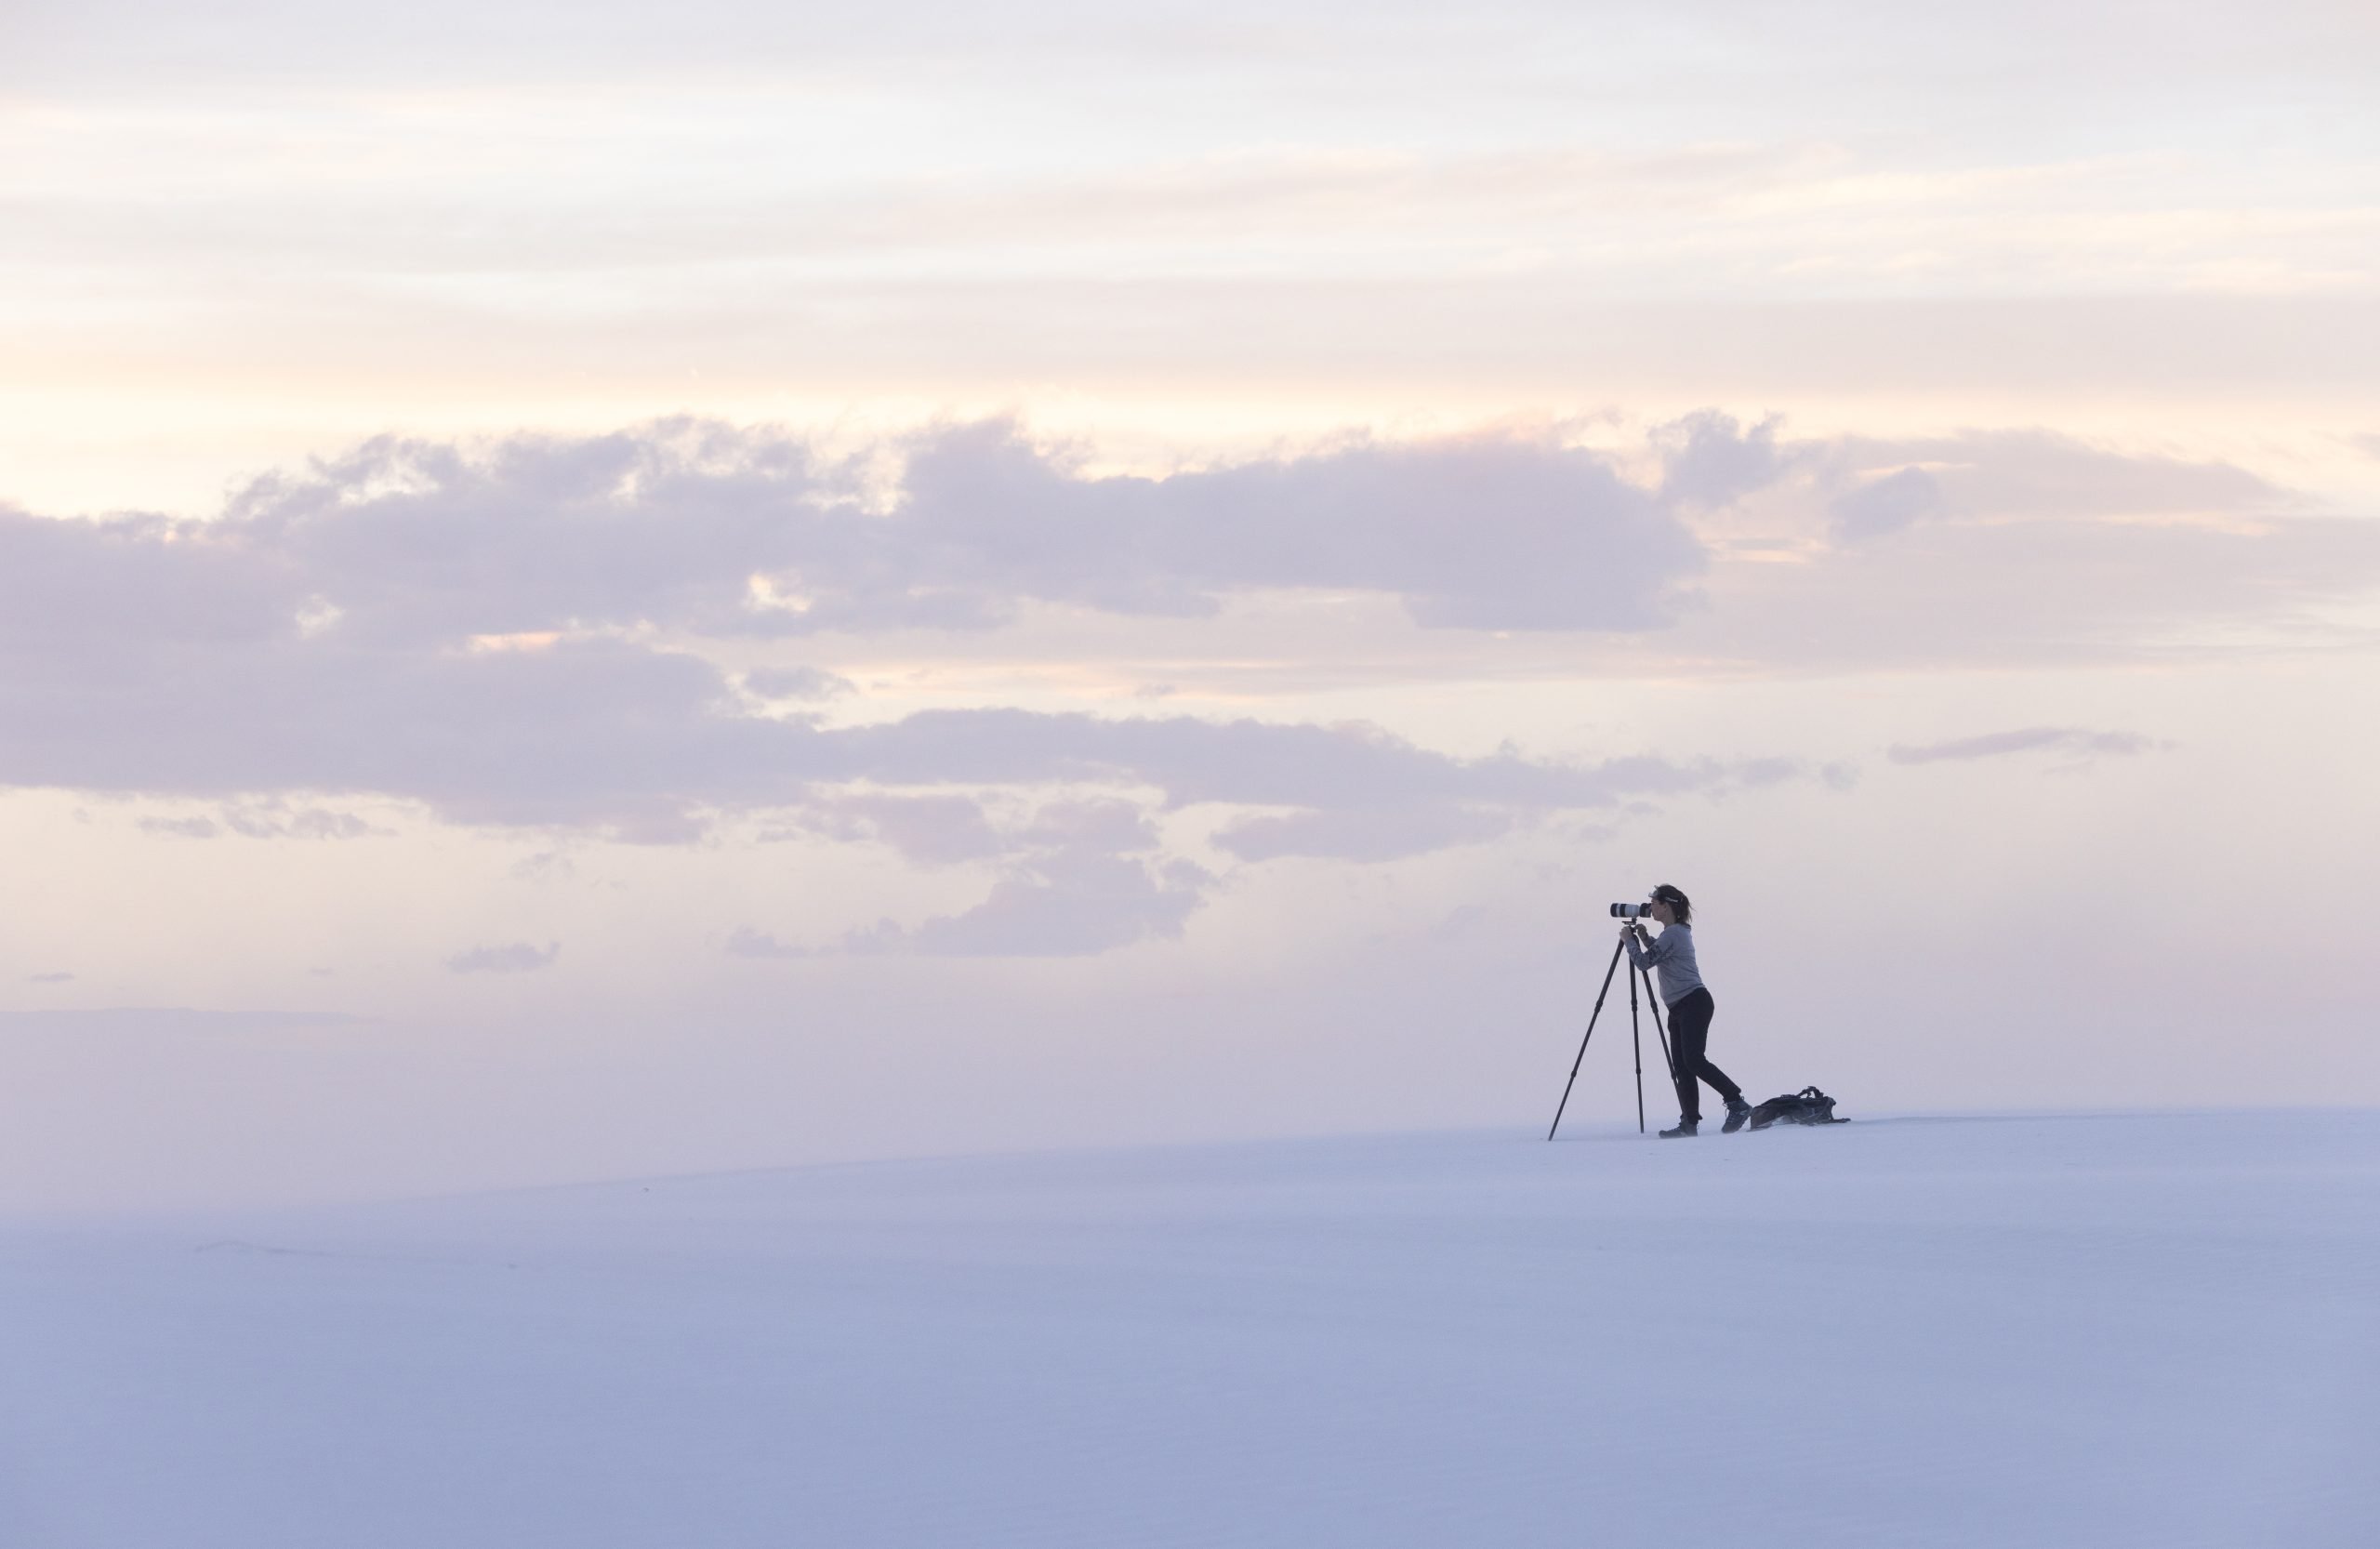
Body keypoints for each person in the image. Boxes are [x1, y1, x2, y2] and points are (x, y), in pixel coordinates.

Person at [1621, 884, 1750, 1137]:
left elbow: (1645, 963)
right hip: (1681, 1006)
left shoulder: (1675, 934)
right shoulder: (1675, 933)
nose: (1651, 908)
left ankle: (1737, 1102)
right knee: (1682, 1066)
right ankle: (1689, 1123)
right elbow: (1663, 954)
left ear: (1666, 906)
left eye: (1655, 904)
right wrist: (1646, 939)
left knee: (1693, 1060)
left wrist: (1629, 942)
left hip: (1693, 1002)